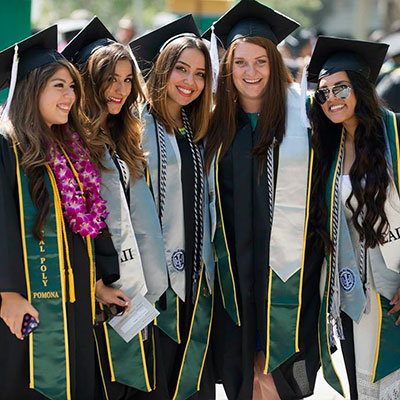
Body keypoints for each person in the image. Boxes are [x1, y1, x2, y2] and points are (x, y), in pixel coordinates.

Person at [203, 1, 323, 398]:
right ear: (228, 67)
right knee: (243, 383)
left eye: (260, 61)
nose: (250, 72)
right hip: (233, 278)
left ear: (275, 64)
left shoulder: (305, 122)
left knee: (284, 382)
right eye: (240, 62)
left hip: (294, 278)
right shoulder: (213, 126)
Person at [0, 26, 117, 399]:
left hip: (74, 299)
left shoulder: (66, 145)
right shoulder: (5, 146)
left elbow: (81, 225)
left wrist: (97, 283)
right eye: (59, 86)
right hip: (26, 301)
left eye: (72, 87)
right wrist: (7, 294)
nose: (70, 96)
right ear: (31, 89)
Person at [62, 17, 168, 399]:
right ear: (88, 82)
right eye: (109, 78)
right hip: (96, 291)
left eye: (127, 79)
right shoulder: (70, 142)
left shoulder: (123, 136)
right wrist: (93, 285)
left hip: (131, 284)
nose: (119, 89)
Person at [307, 36, 400, 399]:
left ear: (360, 87)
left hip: (393, 285)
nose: (332, 97)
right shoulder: (326, 151)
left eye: (341, 87)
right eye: (324, 91)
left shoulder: (396, 134)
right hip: (353, 290)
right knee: (365, 383)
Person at [130, 14, 215, 400]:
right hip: (148, 282)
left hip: (195, 282)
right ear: (163, 69)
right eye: (182, 69)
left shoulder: (195, 128)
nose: (190, 82)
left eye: (200, 74)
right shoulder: (134, 124)